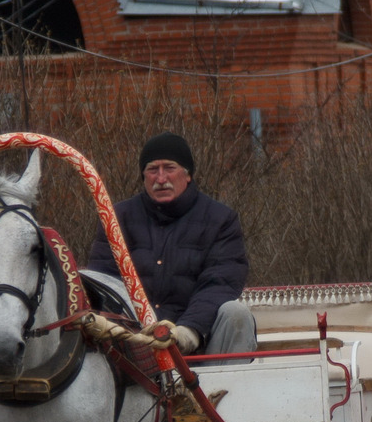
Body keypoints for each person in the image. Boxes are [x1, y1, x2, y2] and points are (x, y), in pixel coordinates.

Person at [87, 132, 257, 355]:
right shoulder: (117, 219)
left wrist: (187, 332)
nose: (160, 178)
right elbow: (103, 281)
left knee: (236, 314)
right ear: (143, 176)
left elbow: (219, 284)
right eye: (152, 169)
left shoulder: (220, 220)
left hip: (198, 344)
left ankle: (228, 388)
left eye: (169, 168)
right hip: (132, 349)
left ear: (188, 175)